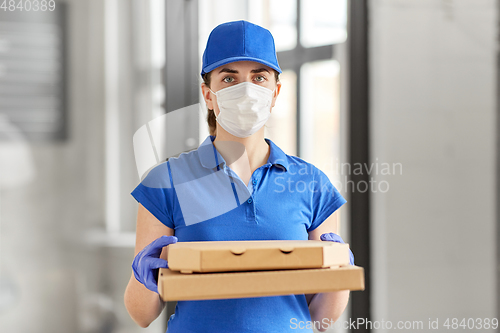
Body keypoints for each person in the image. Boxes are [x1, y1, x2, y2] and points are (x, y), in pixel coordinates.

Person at [124, 20, 354, 333]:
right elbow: (141, 315)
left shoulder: (311, 184)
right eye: (229, 78)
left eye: (259, 77)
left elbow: (320, 319)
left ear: (275, 92)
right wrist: (144, 279)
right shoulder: (167, 181)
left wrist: (338, 272)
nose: (246, 90)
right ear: (208, 94)